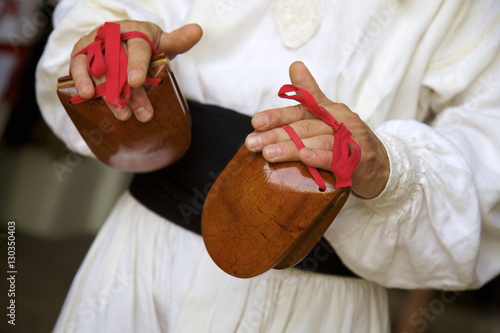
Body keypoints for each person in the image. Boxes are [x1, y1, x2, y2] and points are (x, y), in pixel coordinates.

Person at [36, 0, 500, 332]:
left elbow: (488, 159)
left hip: (320, 309)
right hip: (138, 268)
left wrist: (387, 170)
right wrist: (111, 57)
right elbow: (98, 16)